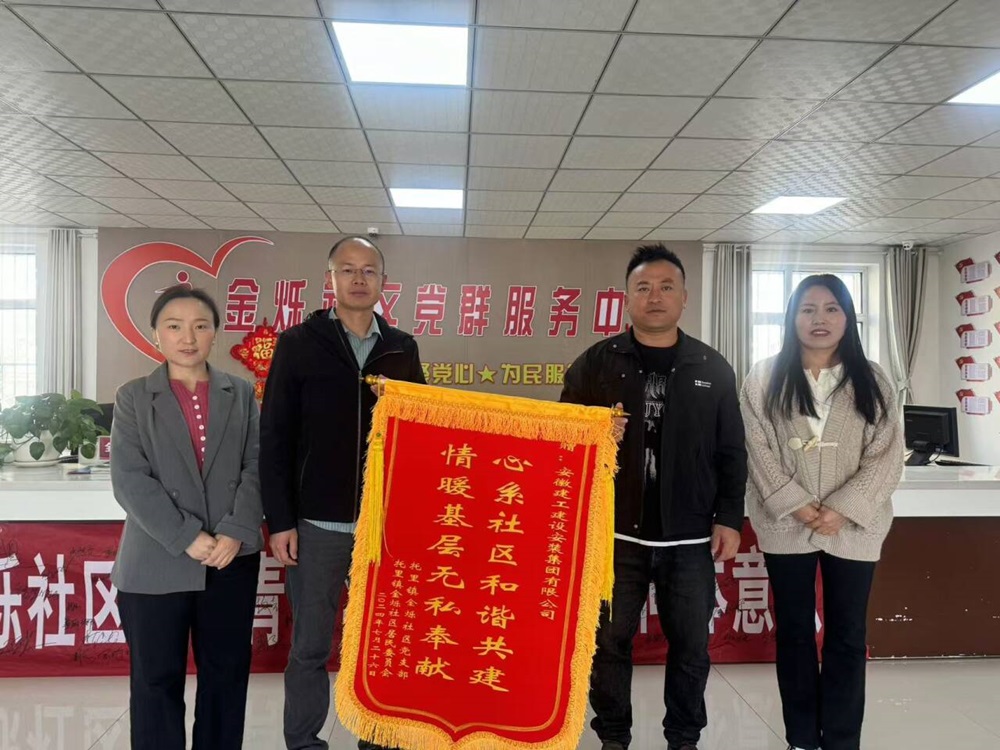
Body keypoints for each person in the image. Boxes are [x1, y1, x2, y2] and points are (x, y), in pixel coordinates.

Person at [561, 243, 747, 750]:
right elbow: (564, 438)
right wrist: (595, 435)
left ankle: (683, 738)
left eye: (666, 287)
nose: (655, 296)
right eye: (643, 287)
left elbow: (732, 450)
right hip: (614, 534)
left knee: (691, 646)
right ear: (627, 298)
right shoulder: (596, 364)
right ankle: (613, 736)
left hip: (689, 537)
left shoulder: (712, 367)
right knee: (607, 642)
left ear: (685, 297)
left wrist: (729, 517)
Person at [260, 236, 425, 750]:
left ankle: (378, 738)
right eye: (347, 269)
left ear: (383, 282)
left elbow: (422, 431)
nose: (358, 279)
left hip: (384, 526)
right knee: (310, 645)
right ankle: (303, 741)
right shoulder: (299, 343)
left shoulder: (401, 347)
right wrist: (280, 520)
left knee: (380, 645)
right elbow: (275, 436)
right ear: (329, 278)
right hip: (317, 524)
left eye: (369, 270)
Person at [740, 274, 903, 750]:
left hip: (854, 528)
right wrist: (796, 505)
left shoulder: (873, 378)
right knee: (793, 634)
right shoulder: (764, 377)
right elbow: (756, 448)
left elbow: (887, 454)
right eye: (808, 309)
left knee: (847, 635)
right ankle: (802, 738)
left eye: (832, 308)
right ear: (792, 317)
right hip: (785, 526)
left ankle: (842, 740)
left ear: (848, 318)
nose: (820, 319)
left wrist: (843, 510)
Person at [110, 285, 263, 750]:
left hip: (229, 557)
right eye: (174, 326)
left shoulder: (240, 392)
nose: (188, 337)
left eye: (200, 326)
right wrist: (186, 536)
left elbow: (258, 465)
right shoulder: (134, 397)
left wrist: (236, 532)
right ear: (156, 334)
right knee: (156, 680)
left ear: (215, 332)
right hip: (156, 559)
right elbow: (130, 480)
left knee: (226, 676)